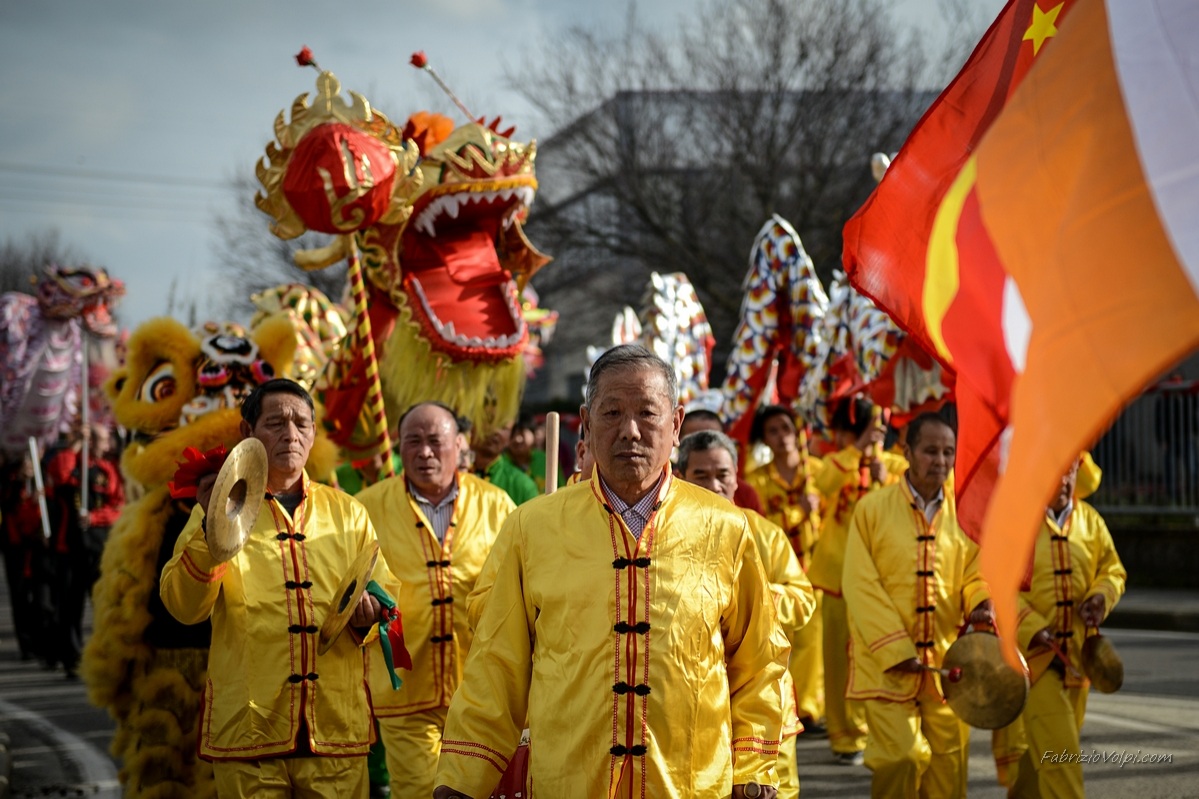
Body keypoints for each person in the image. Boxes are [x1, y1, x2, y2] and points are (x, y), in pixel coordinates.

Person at [433, 344, 789, 799]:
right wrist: (463, 777)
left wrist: (753, 768)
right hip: (569, 782)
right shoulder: (532, 527)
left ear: (676, 425)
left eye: (647, 413)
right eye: (612, 413)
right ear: (586, 421)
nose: (630, 431)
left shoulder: (725, 526)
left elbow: (758, 661)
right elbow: (495, 666)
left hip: (689, 784)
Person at [160, 378, 391, 795]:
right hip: (250, 733)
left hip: (335, 729)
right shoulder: (218, 508)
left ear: (315, 433)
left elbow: (384, 593)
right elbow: (183, 607)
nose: (291, 434)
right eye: (276, 422)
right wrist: (214, 529)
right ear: (247, 434)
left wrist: (370, 616)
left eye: (302, 423)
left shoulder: (348, 512)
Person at [356, 402, 515, 799]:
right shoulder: (366, 508)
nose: (424, 452)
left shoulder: (497, 506)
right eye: (413, 442)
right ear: (398, 446)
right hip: (406, 688)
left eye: (435, 441)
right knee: (419, 791)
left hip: (481, 689)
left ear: (460, 444)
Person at [842, 412, 993, 799]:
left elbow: (978, 572)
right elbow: (861, 585)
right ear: (907, 451)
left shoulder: (968, 513)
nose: (940, 461)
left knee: (948, 774)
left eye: (948, 452)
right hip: (887, 666)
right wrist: (895, 648)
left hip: (948, 667)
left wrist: (980, 601)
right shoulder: (872, 510)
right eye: (930, 451)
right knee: (901, 759)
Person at [677, 429, 817, 799]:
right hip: (696, 703)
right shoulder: (667, 536)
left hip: (765, 701)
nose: (714, 484)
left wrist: (748, 596)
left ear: (737, 477)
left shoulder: (766, 534)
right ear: (680, 478)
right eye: (701, 476)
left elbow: (802, 600)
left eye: (722, 474)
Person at [992, 457, 1127, 797]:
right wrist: (1030, 627)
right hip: (1033, 663)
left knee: (1045, 755)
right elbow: (997, 582)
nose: (1063, 479)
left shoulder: (1090, 520)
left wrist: (1100, 597)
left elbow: (1112, 570)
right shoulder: (1017, 522)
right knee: (1062, 759)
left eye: (1068, 470)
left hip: (1078, 662)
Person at [807, 396, 907, 766]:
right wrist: (859, 451)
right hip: (837, 578)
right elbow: (824, 485)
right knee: (838, 663)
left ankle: (880, 731)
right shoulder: (835, 464)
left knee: (884, 655)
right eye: (856, 431)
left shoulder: (896, 467)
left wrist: (887, 480)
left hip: (884, 582)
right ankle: (845, 737)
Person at [746, 404, 826, 735]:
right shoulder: (757, 479)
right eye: (773, 432)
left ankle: (810, 709)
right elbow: (763, 527)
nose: (782, 437)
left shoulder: (820, 472)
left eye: (786, 429)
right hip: (778, 572)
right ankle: (782, 707)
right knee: (780, 642)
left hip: (818, 568)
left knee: (812, 643)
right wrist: (798, 513)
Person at [44, 422, 125, 678]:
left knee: (103, 604)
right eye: (102, 439)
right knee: (70, 605)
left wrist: (95, 517)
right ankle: (72, 659)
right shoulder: (71, 461)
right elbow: (59, 474)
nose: (107, 443)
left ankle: (105, 656)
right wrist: (78, 442)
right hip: (69, 547)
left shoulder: (107, 469)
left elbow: (118, 506)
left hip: (98, 548)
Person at [679, 408, 764, 513]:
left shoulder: (745, 494)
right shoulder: (665, 491)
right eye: (701, 477)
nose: (714, 487)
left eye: (713, 437)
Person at [471, 422, 539, 505]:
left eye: (503, 427)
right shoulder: (455, 474)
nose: (495, 431)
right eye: (488, 421)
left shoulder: (524, 486)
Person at [503, 413, 564, 492]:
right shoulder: (500, 466)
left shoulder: (546, 460)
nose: (517, 439)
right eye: (512, 435)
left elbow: (562, 489)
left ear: (534, 434)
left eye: (521, 433)